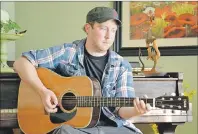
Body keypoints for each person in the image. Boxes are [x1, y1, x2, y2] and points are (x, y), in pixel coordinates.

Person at [14, 6, 151, 134]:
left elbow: (122, 110)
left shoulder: (122, 65)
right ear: (87, 28)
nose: (109, 36)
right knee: (64, 131)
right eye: (103, 28)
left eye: (113, 30)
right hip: (76, 129)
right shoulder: (68, 52)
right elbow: (22, 62)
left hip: (110, 128)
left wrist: (136, 110)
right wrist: (43, 91)